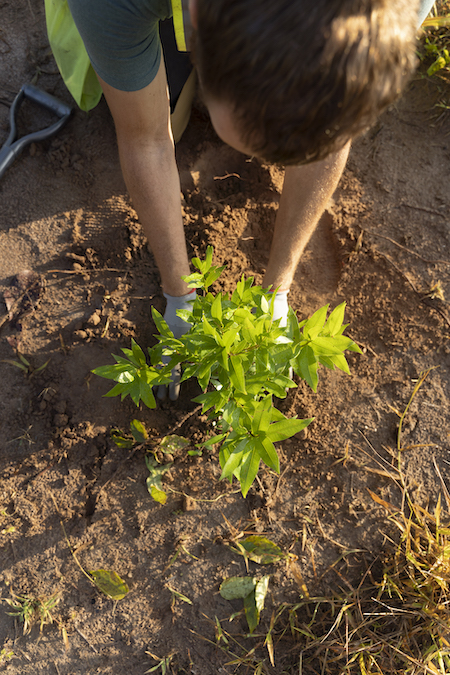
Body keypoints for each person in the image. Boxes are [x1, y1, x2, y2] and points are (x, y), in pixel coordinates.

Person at [63, 0, 434, 399]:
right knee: (149, 110)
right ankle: (180, 65)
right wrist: (178, 293)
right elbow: (145, 139)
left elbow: (333, 129)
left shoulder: (390, 15)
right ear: (201, 32)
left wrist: (277, 291)